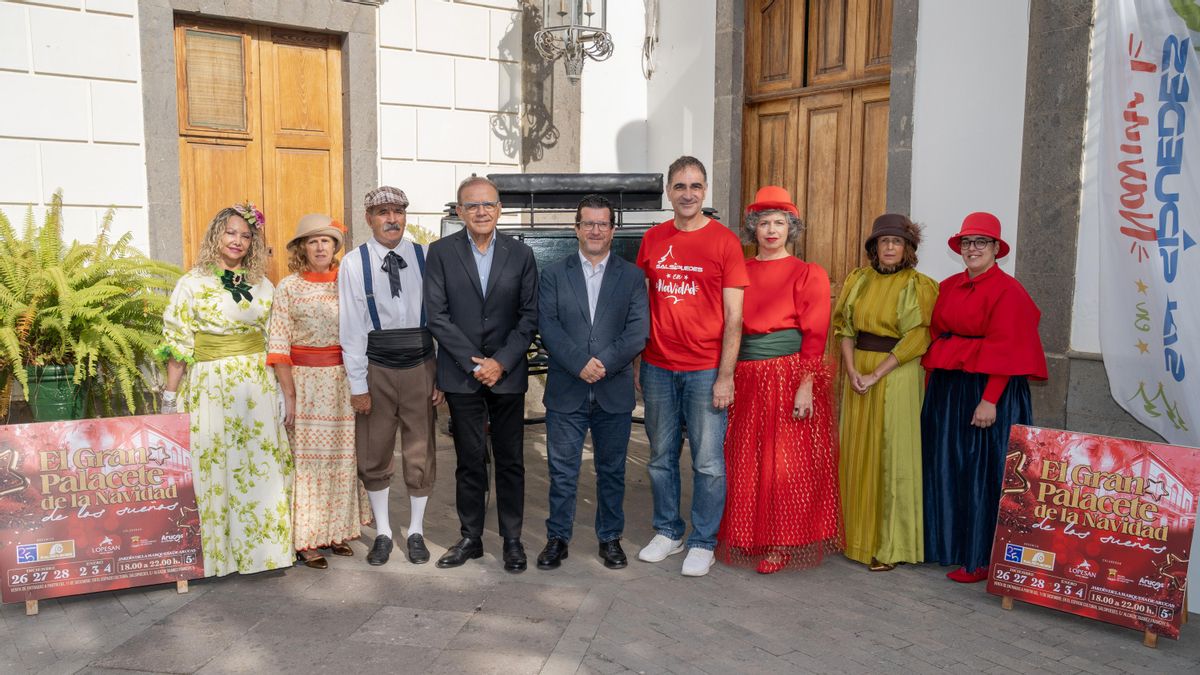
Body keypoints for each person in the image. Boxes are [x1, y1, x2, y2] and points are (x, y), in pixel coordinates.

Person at [157, 204, 293, 576]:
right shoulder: (191, 284)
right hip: (209, 386)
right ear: (216, 235)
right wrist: (169, 397)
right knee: (212, 466)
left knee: (256, 466)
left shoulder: (263, 285)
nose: (238, 241)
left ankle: (263, 553)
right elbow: (178, 343)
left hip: (256, 387)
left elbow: (275, 340)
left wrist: (281, 392)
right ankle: (215, 556)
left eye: (246, 236)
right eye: (231, 233)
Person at [715, 186, 842, 574]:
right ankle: (750, 533)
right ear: (753, 228)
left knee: (785, 462)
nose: (771, 230)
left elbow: (816, 333)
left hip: (787, 375)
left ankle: (781, 541)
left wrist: (807, 383)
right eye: (764, 223)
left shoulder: (807, 273)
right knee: (746, 458)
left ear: (791, 229)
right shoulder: (739, 271)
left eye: (779, 223)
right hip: (745, 374)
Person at [635, 156, 749, 577]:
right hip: (658, 366)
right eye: (680, 186)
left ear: (705, 191)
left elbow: (734, 318)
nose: (687, 194)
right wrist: (638, 361)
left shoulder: (725, 242)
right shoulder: (652, 239)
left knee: (708, 462)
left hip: (705, 370)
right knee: (660, 456)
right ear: (669, 191)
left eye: (695, 186)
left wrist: (725, 376)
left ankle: (703, 540)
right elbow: (642, 304)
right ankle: (669, 531)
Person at [921, 212, 1047, 583]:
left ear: (995, 248)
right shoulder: (948, 286)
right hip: (951, 389)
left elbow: (1009, 349)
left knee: (982, 471)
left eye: (981, 242)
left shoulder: (1010, 291)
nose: (972, 249)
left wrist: (990, 399)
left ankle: (980, 558)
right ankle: (949, 546)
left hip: (990, 391)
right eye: (966, 242)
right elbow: (938, 335)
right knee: (950, 466)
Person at [425, 176, 538, 573]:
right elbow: (436, 315)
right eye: (472, 205)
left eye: (488, 204)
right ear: (459, 211)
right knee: (470, 460)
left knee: (510, 461)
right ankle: (470, 538)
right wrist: (475, 363)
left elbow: (529, 316)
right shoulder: (440, 253)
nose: (481, 211)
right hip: (462, 375)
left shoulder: (520, 254)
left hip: (507, 374)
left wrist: (500, 362)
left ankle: (512, 540)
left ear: (499, 209)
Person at [535, 195, 649, 571]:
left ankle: (610, 538)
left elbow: (637, 331)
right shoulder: (554, 274)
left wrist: (604, 365)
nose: (595, 230)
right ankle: (557, 538)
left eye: (602, 224)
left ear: (613, 230)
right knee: (562, 470)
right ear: (577, 229)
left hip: (612, 389)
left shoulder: (632, 277)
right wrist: (579, 364)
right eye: (588, 223)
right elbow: (548, 326)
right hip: (567, 389)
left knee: (612, 471)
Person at [339, 186, 443, 567]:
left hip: (421, 364)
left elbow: (441, 318)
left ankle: (415, 530)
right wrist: (358, 385)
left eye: (398, 211)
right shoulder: (354, 263)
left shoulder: (426, 256)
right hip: (376, 366)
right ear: (369, 219)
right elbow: (352, 328)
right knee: (374, 449)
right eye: (383, 212)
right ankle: (383, 531)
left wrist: (441, 374)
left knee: (421, 449)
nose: (392, 219)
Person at [833, 214, 938, 571]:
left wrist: (877, 373)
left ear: (908, 248)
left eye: (897, 242)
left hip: (898, 373)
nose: (890, 247)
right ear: (874, 247)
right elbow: (844, 327)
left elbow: (918, 337)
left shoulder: (920, 285)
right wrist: (852, 370)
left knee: (893, 455)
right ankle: (854, 537)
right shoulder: (858, 280)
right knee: (857, 452)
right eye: (883, 241)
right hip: (859, 372)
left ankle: (889, 545)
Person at [267, 213, 369, 569]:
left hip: (341, 381)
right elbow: (278, 342)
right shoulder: (288, 287)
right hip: (305, 383)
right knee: (307, 462)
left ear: (335, 246)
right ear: (302, 248)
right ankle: (307, 539)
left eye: (326, 240)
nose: (321, 247)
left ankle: (336, 531)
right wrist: (289, 394)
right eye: (313, 241)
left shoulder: (347, 282)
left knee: (342, 457)